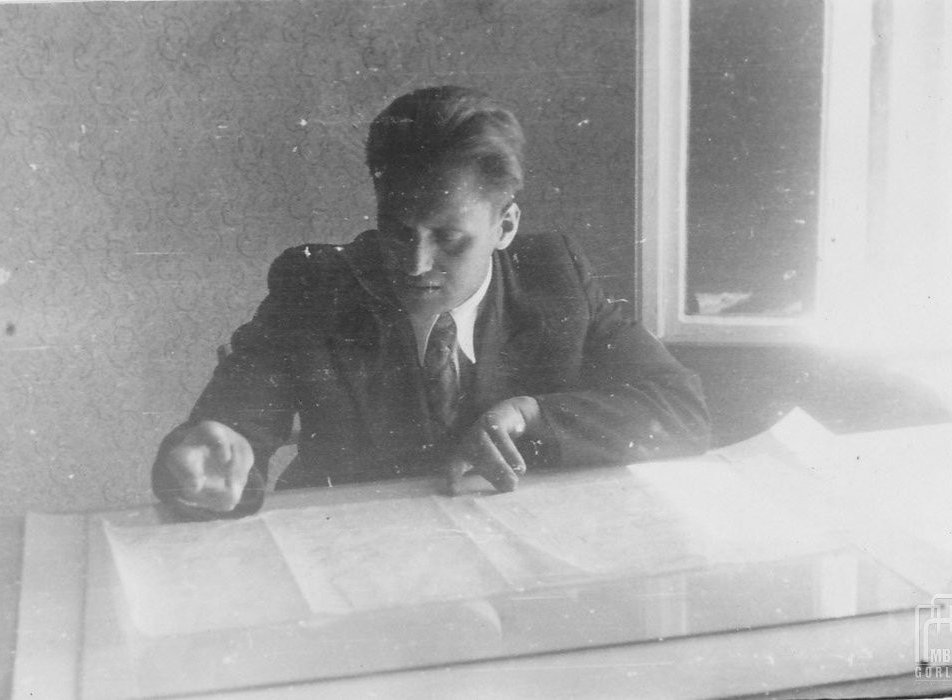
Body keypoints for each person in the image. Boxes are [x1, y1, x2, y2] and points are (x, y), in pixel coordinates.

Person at [152, 86, 710, 519]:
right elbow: (231, 427)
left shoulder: (554, 276)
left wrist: (530, 414)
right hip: (354, 553)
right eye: (398, 231)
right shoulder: (316, 284)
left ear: (505, 226)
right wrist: (204, 458)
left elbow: (681, 409)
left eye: (449, 239)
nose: (416, 264)